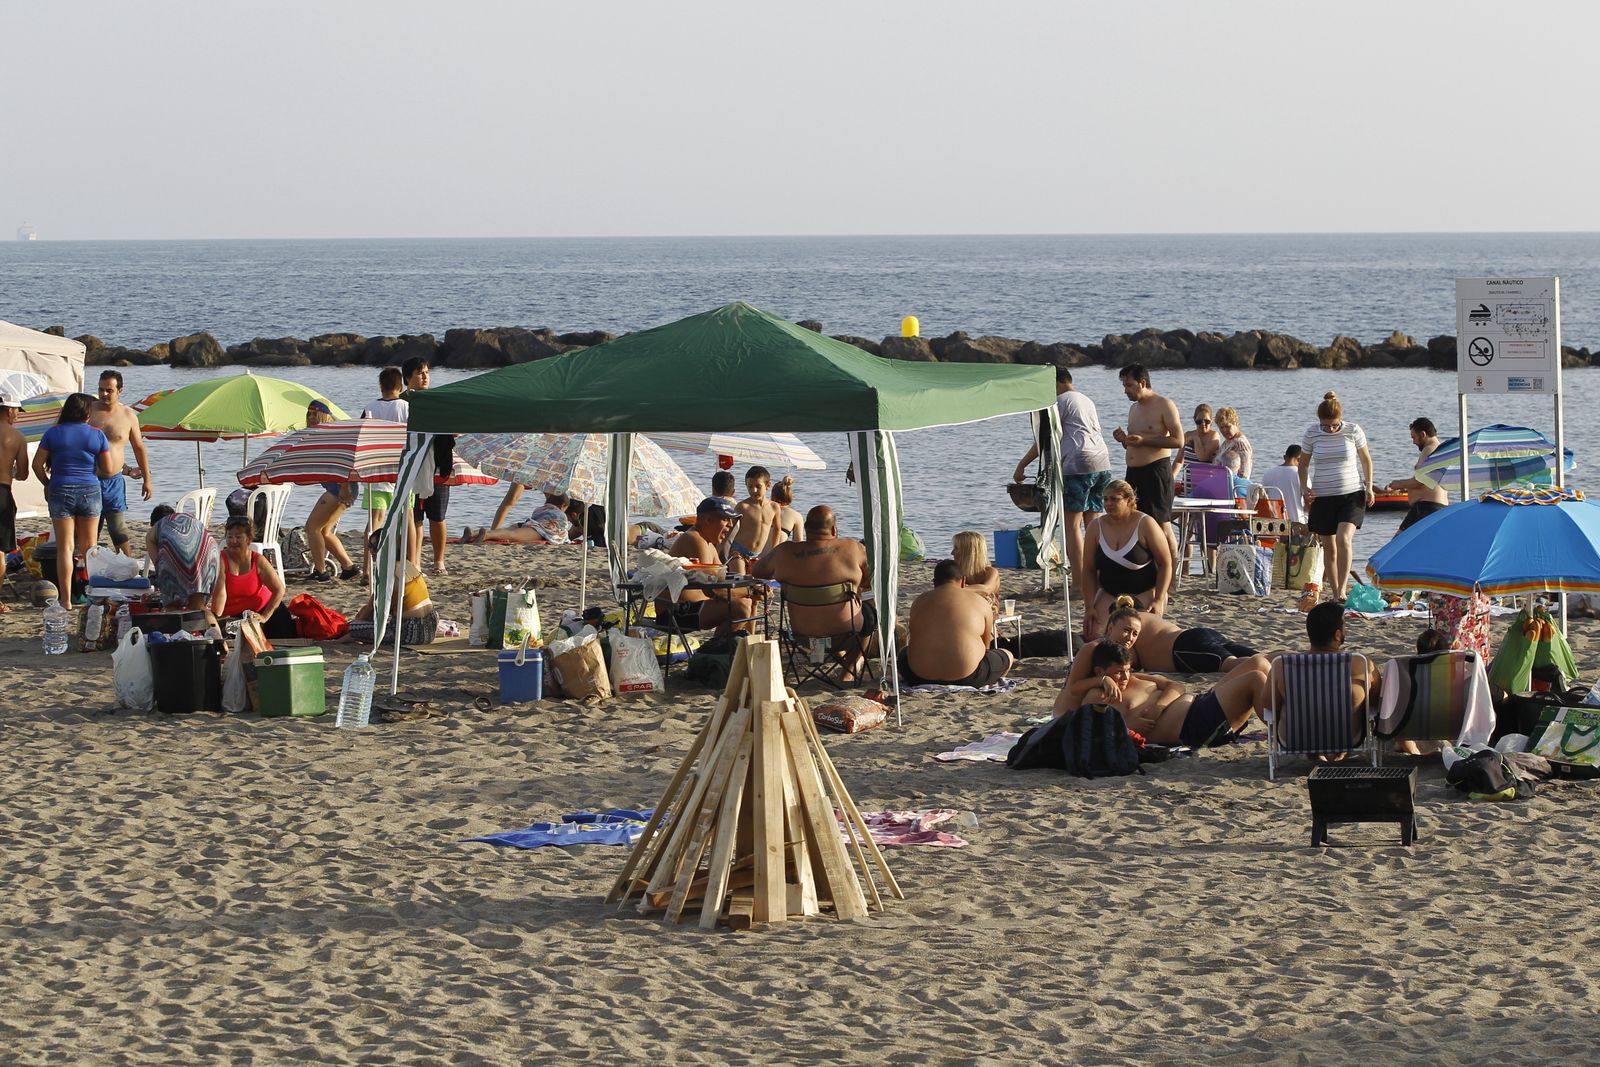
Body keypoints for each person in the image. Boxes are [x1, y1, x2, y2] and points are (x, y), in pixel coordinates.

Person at [1058, 597, 1269, 709]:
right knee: (1258, 658)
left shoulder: (1118, 646)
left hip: (1186, 647)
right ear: (1110, 627)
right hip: (1194, 637)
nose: (1130, 638)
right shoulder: (1093, 648)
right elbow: (1073, 687)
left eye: (1134, 634)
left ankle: (1288, 659)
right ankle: (1290, 657)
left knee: (1241, 662)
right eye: (1126, 631)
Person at [1056, 640, 1268, 748]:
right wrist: (1128, 727)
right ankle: (1287, 735)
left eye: (1128, 670)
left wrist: (1158, 708)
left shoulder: (1135, 679)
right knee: (1255, 678)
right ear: (1101, 673)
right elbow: (1097, 738)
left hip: (1199, 702)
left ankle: (1289, 728)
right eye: (1118, 673)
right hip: (1195, 725)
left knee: (1258, 662)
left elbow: (1176, 686)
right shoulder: (1098, 697)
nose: (1124, 677)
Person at [1012, 366, 1112, 581]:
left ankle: (1079, 581)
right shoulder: (1086, 400)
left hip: (1078, 466)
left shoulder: (1060, 402)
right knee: (1093, 526)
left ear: (1054, 383)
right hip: (1102, 463)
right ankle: (1096, 578)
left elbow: (1044, 441)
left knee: (1071, 526)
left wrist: (1022, 466)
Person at [753, 504, 874, 679]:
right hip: (845, 634)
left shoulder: (785, 552)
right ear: (834, 529)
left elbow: (758, 571)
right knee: (870, 614)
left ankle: (830, 656)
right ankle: (850, 667)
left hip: (802, 636)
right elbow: (871, 579)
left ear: (806, 529)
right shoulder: (852, 548)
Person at [32, 393, 115, 606]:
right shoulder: (96, 435)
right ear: (86, 412)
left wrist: (47, 484)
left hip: (60, 489)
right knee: (90, 547)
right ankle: (92, 597)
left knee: (65, 547)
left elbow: (37, 465)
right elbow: (107, 469)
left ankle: (66, 599)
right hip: (89, 489)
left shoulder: (53, 433)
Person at [1298, 391, 1374, 602]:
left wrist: (1369, 487)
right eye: (1326, 425)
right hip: (1323, 496)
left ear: (1340, 420)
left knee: (1343, 539)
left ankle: (1342, 589)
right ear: (1319, 421)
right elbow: (1302, 465)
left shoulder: (1353, 430)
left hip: (1352, 494)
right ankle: (1335, 592)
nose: (1330, 429)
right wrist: (1305, 489)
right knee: (1329, 546)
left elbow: (1366, 460)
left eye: (1334, 425)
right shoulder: (1312, 433)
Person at [1110, 364, 1181, 587]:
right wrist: (1124, 440)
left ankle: (1171, 580)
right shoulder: (1134, 409)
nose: (1125, 390)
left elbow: (1178, 441)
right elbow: (1135, 442)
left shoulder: (1164, 405)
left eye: (1128, 385)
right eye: (1124, 385)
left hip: (1156, 471)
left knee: (1161, 525)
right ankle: (1144, 572)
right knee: (1134, 521)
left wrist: (1145, 440)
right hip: (1134, 472)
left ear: (1142, 383)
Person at [1079, 478, 1173, 641]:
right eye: (1105, 499)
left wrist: (1158, 599)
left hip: (1143, 591)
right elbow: (1088, 569)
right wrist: (1089, 607)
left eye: (1114, 499)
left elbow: (1166, 563)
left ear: (1129, 500)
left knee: (1137, 636)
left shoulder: (1146, 524)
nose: (1108, 503)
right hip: (1110, 591)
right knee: (1095, 635)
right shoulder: (1096, 527)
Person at [900, 558, 1013, 687]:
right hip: (967, 676)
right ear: (964, 581)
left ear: (934, 583)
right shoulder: (979, 601)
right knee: (1007, 655)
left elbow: (914, 637)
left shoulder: (919, 601)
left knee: (904, 653)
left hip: (919, 676)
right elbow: (986, 645)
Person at [1272, 601, 1381, 731]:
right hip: (1346, 739)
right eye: (1344, 626)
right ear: (1337, 635)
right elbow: (1377, 700)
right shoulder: (1360, 663)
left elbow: (1268, 704)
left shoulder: (1282, 665)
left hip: (1296, 739)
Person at [662, 496, 762, 636]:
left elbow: (724, 579)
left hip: (690, 608)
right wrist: (750, 590)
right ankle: (715, 651)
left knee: (746, 601)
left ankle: (718, 650)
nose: (731, 525)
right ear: (708, 520)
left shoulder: (708, 543)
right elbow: (714, 590)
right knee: (741, 607)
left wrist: (752, 583)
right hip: (674, 612)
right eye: (725, 519)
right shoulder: (695, 540)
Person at [86, 370, 154, 556]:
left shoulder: (128, 416)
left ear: (120, 391)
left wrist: (147, 480)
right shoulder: (88, 411)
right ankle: (85, 570)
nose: (104, 394)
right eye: (101, 390)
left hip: (113, 481)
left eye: (109, 390)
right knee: (90, 531)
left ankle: (128, 565)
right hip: (88, 479)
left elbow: (139, 448)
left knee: (117, 529)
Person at [402, 356, 453, 576]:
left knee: (438, 515)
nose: (424, 377)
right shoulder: (402, 402)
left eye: (427, 373)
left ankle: (439, 561)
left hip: (437, 464)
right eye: (419, 373)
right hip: (411, 465)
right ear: (407, 377)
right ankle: (416, 562)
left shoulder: (436, 400)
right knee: (414, 517)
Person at [302, 400, 361, 582]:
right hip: (340, 487)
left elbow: (345, 462)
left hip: (341, 487)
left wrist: (343, 487)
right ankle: (349, 567)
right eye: (309, 414)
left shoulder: (333, 435)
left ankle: (320, 571)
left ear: (325, 416)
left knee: (312, 527)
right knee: (325, 531)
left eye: (315, 414)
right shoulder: (320, 435)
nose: (312, 418)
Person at [360, 366, 409, 577]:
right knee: (403, 521)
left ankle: (366, 568)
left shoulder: (369, 407)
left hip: (375, 469)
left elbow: (360, 436)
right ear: (401, 386)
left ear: (381, 386)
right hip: (401, 470)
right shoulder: (406, 407)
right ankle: (404, 565)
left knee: (374, 521)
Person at [151, 507, 222, 619]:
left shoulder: (156, 527)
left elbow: (158, 563)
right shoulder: (187, 519)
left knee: (172, 605)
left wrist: (165, 584)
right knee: (199, 608)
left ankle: (175, 634)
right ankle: (214, 633)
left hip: (181, 553)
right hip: (210, 552)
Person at [218, 515, 289, 627]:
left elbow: (279, 589)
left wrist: (265, 617)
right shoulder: (220, 559)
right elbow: (218, 595)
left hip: (263, 611)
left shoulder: (258, 560)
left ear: (249, 539)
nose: (233, 541)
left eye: (238, 537)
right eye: (230, 537)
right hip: (234, 616)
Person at [1384, 417, 1449, 534]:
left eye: (1414, 437)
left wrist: (1398, 484)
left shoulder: (1429, 449)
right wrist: (1406, 487)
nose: (1413, 442)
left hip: (1427, 507)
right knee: (1401, 542)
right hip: (1429, 506)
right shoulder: (1439, 449)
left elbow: (1420, 481)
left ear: (1423, 434)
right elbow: (1426, 481)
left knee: (1400, 544)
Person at [463, 492, 573, 544]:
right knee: (512, 535)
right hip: (540, 530)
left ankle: (473, 533)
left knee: (508, 530)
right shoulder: (560, 514)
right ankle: (486, 534)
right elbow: (561, 532)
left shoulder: (540, 509)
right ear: (563, 506)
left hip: (529, 524)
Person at [728, 465, 781, 562]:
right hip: (738, 550)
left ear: (768, 485)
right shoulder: (743, 506)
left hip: (757, 555)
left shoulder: (774, 507)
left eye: (758, 486)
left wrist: (774, 550)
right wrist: (720, 551)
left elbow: (777, 529)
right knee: (740, 575)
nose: (754, 490)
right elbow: (728, 529)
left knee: (754, 577)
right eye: (750, 487)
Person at [0, 389, 29, 558]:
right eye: (17, 410)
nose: (18, 415)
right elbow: (23, 474)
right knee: (1, 550)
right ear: (9, 410)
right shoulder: (17, 437)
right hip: (2, 492)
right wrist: (12, 472)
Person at [1257, 445, 1308, 526]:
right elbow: (1309, 499)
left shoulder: (1268, 473)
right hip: (1296, 522)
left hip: (1274, 522)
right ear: (1299, 460)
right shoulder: (1301, 474)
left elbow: (1262, 497)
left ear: (1284, 457)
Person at [1178, 403, 1223, 491]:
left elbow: (1202, 457)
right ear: (1194, 420)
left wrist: (1196, 438)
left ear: (1212, 420)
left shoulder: (1213, 436)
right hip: (1188, 486)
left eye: (1206, 421)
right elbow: (1179, 461)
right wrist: (1170, 478)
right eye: (1199, 421)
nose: (1203, 424)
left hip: (1206, 487)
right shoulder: (1187, 435)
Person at [951, 530, 1001, 604]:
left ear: (968, 552)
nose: (952, 553)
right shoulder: (955, 571)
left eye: (956, 548)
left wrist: (956, 590)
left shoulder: (990, 572)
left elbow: (986, 589)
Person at [1213, 407, 1253, 493]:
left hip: (1231, 491)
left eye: (1227, 426)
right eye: (1221, 427)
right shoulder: (1227, 442)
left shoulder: (1240, 444)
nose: (1224, 430)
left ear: (1236, 423)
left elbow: (1244, 474)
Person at [771, 476, 803, 543]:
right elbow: (798, 544)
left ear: (773, 496)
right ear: (790, 496)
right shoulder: (797, 516)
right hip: (778, 552)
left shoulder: (763, 510)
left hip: (759, 553)